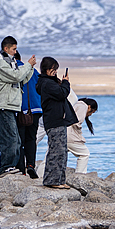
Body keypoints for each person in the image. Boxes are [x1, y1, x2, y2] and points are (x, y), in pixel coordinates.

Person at [0, 36, 36, 176]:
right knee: (9, 138)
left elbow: (21, 80)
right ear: (6, 48)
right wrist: (27, 65)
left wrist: (30, 69)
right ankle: (6, 167)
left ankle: (10, 166)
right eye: (14, 49)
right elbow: (16, 76)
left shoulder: (11, 63)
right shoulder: (0, 64)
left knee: (15, 139)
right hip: (3, 105)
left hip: (11, 106)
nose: (16, 52)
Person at [36, 57, 76, 189]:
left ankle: (59, 180)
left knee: (62, 151)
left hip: (57, 120)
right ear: (46, 70)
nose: (55, 72)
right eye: (52, 69)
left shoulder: (47, 82)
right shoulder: (48, 83)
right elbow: (62, 93)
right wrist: (66, 83)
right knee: (56, 151)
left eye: (55, 69)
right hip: (54, 121)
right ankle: (52, 180)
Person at [16, 55, 42, 178]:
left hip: (21, 110)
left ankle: (21, 168)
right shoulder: (33, 70)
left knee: (19, 140)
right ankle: (31, 165)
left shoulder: (14, 70)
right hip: (35, 109)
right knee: (31, 139)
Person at [68, 97, 98, 174]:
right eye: (92, 112)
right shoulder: (83, 106)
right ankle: (79, 175)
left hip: (62, 134)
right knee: (84, 154)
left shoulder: (77, 105)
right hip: (70, 136)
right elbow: (76, 122)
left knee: (52, 155)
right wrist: (80, 136)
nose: (90, 114)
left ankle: (39, 175)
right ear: (89, 107)